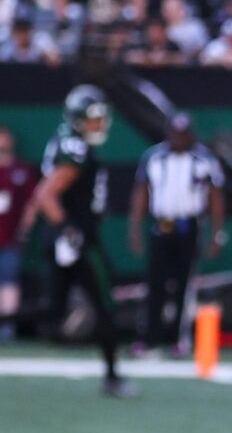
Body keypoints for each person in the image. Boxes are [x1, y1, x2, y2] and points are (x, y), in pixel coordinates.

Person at [20, 86, 135, 396]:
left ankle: (111, 374)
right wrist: (70, 231)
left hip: (62, 236)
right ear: (78, 119)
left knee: (54, 310)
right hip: (78, 237)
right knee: (104, 304)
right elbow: (46, 194)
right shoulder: (76, 150)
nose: (99, 125)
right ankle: (112, 377)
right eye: (94, 119)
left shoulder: (65, 140)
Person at [128, 113, 226, 357]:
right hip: (161, 225)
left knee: (184, 285)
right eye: (174, 133)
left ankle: (179, 339)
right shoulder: (154, 157)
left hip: (188, 225)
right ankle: (149, 339)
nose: (179, 139)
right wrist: (135, 229)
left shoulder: (203, 159)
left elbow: (215, 197)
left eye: (183, 134)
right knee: (155, 284)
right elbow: (141, 194)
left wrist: (217, 233)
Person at [0, 126, 37, 342]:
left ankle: (7, 329)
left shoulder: (20, 170)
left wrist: (24, 228)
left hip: (10, 238)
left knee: (8, 282)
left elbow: (33, 202)